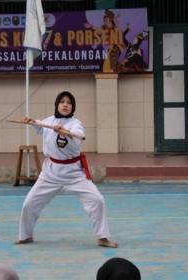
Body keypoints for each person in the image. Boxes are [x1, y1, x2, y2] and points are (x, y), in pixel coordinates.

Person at [14, 91, 118, 248]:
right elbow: (39, 126)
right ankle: (26, 235)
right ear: (57, 104)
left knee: (97, 200)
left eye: (69, 102)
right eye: (62, 102)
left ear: (72, 107)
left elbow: (77, 136)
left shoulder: (76, 124)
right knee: (29, 203)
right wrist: (31, 121)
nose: (65, 104)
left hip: (74, 173)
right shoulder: (49, 121)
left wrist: (64, 131)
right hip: (51, 173)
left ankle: (102, 237)